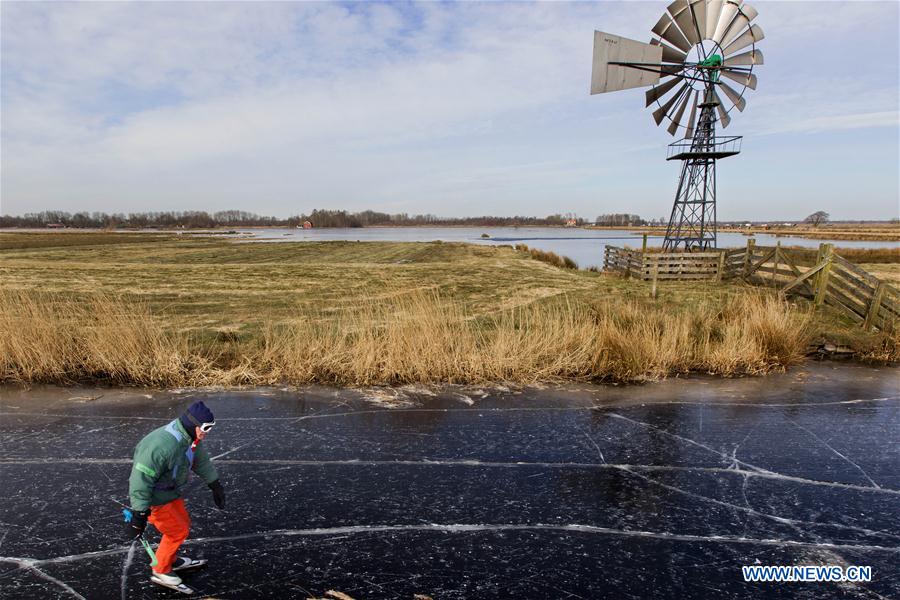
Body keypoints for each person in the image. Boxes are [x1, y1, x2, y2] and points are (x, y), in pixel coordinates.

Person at [123, 400, 225, 592]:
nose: (207, 432)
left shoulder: (189, 438)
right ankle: (160, 569)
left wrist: (214, 484)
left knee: (182, 525)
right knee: (176, 531)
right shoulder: (162, 446)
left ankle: (169, 558)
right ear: (193, 424)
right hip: (155, 499)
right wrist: (138, 516)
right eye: (205, 427)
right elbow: (139, 480)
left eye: (211, 427)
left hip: (170, 493)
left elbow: (199, 459)